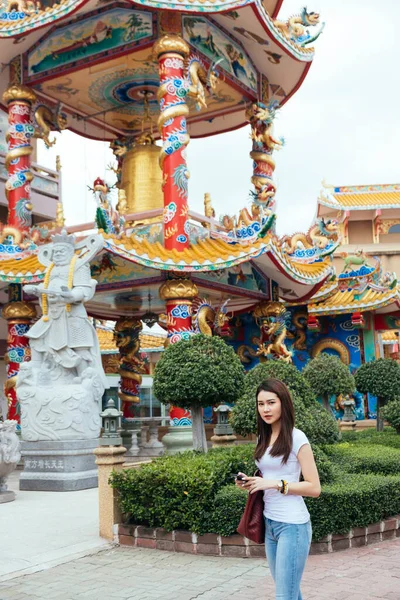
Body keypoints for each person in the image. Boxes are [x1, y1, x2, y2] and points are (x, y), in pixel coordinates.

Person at [237, 378, 321, 600]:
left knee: (285, 595)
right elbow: (270, 475)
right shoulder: (264, 437)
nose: (265, 409)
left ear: (283, 403)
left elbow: (314, 487)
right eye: (260, 403)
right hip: (270, 523)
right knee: (291, 592)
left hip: (292, 526)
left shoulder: (297, 437)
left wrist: (274, 484)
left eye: (271, 402)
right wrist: (251, 482)